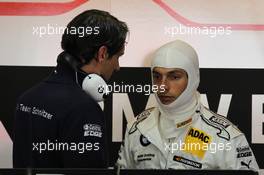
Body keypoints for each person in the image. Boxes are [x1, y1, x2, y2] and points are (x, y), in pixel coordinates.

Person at [117, 40, 259, 171]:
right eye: (157, 76)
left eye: (174, 76)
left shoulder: (225, 137)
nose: (163, 86)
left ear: (193, 78)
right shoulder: (136, 128)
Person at [13, 9, 128, 168]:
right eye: (118, 57)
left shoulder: (27, 98)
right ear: (102, 53)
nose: (117, 67)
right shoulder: (84, 108)